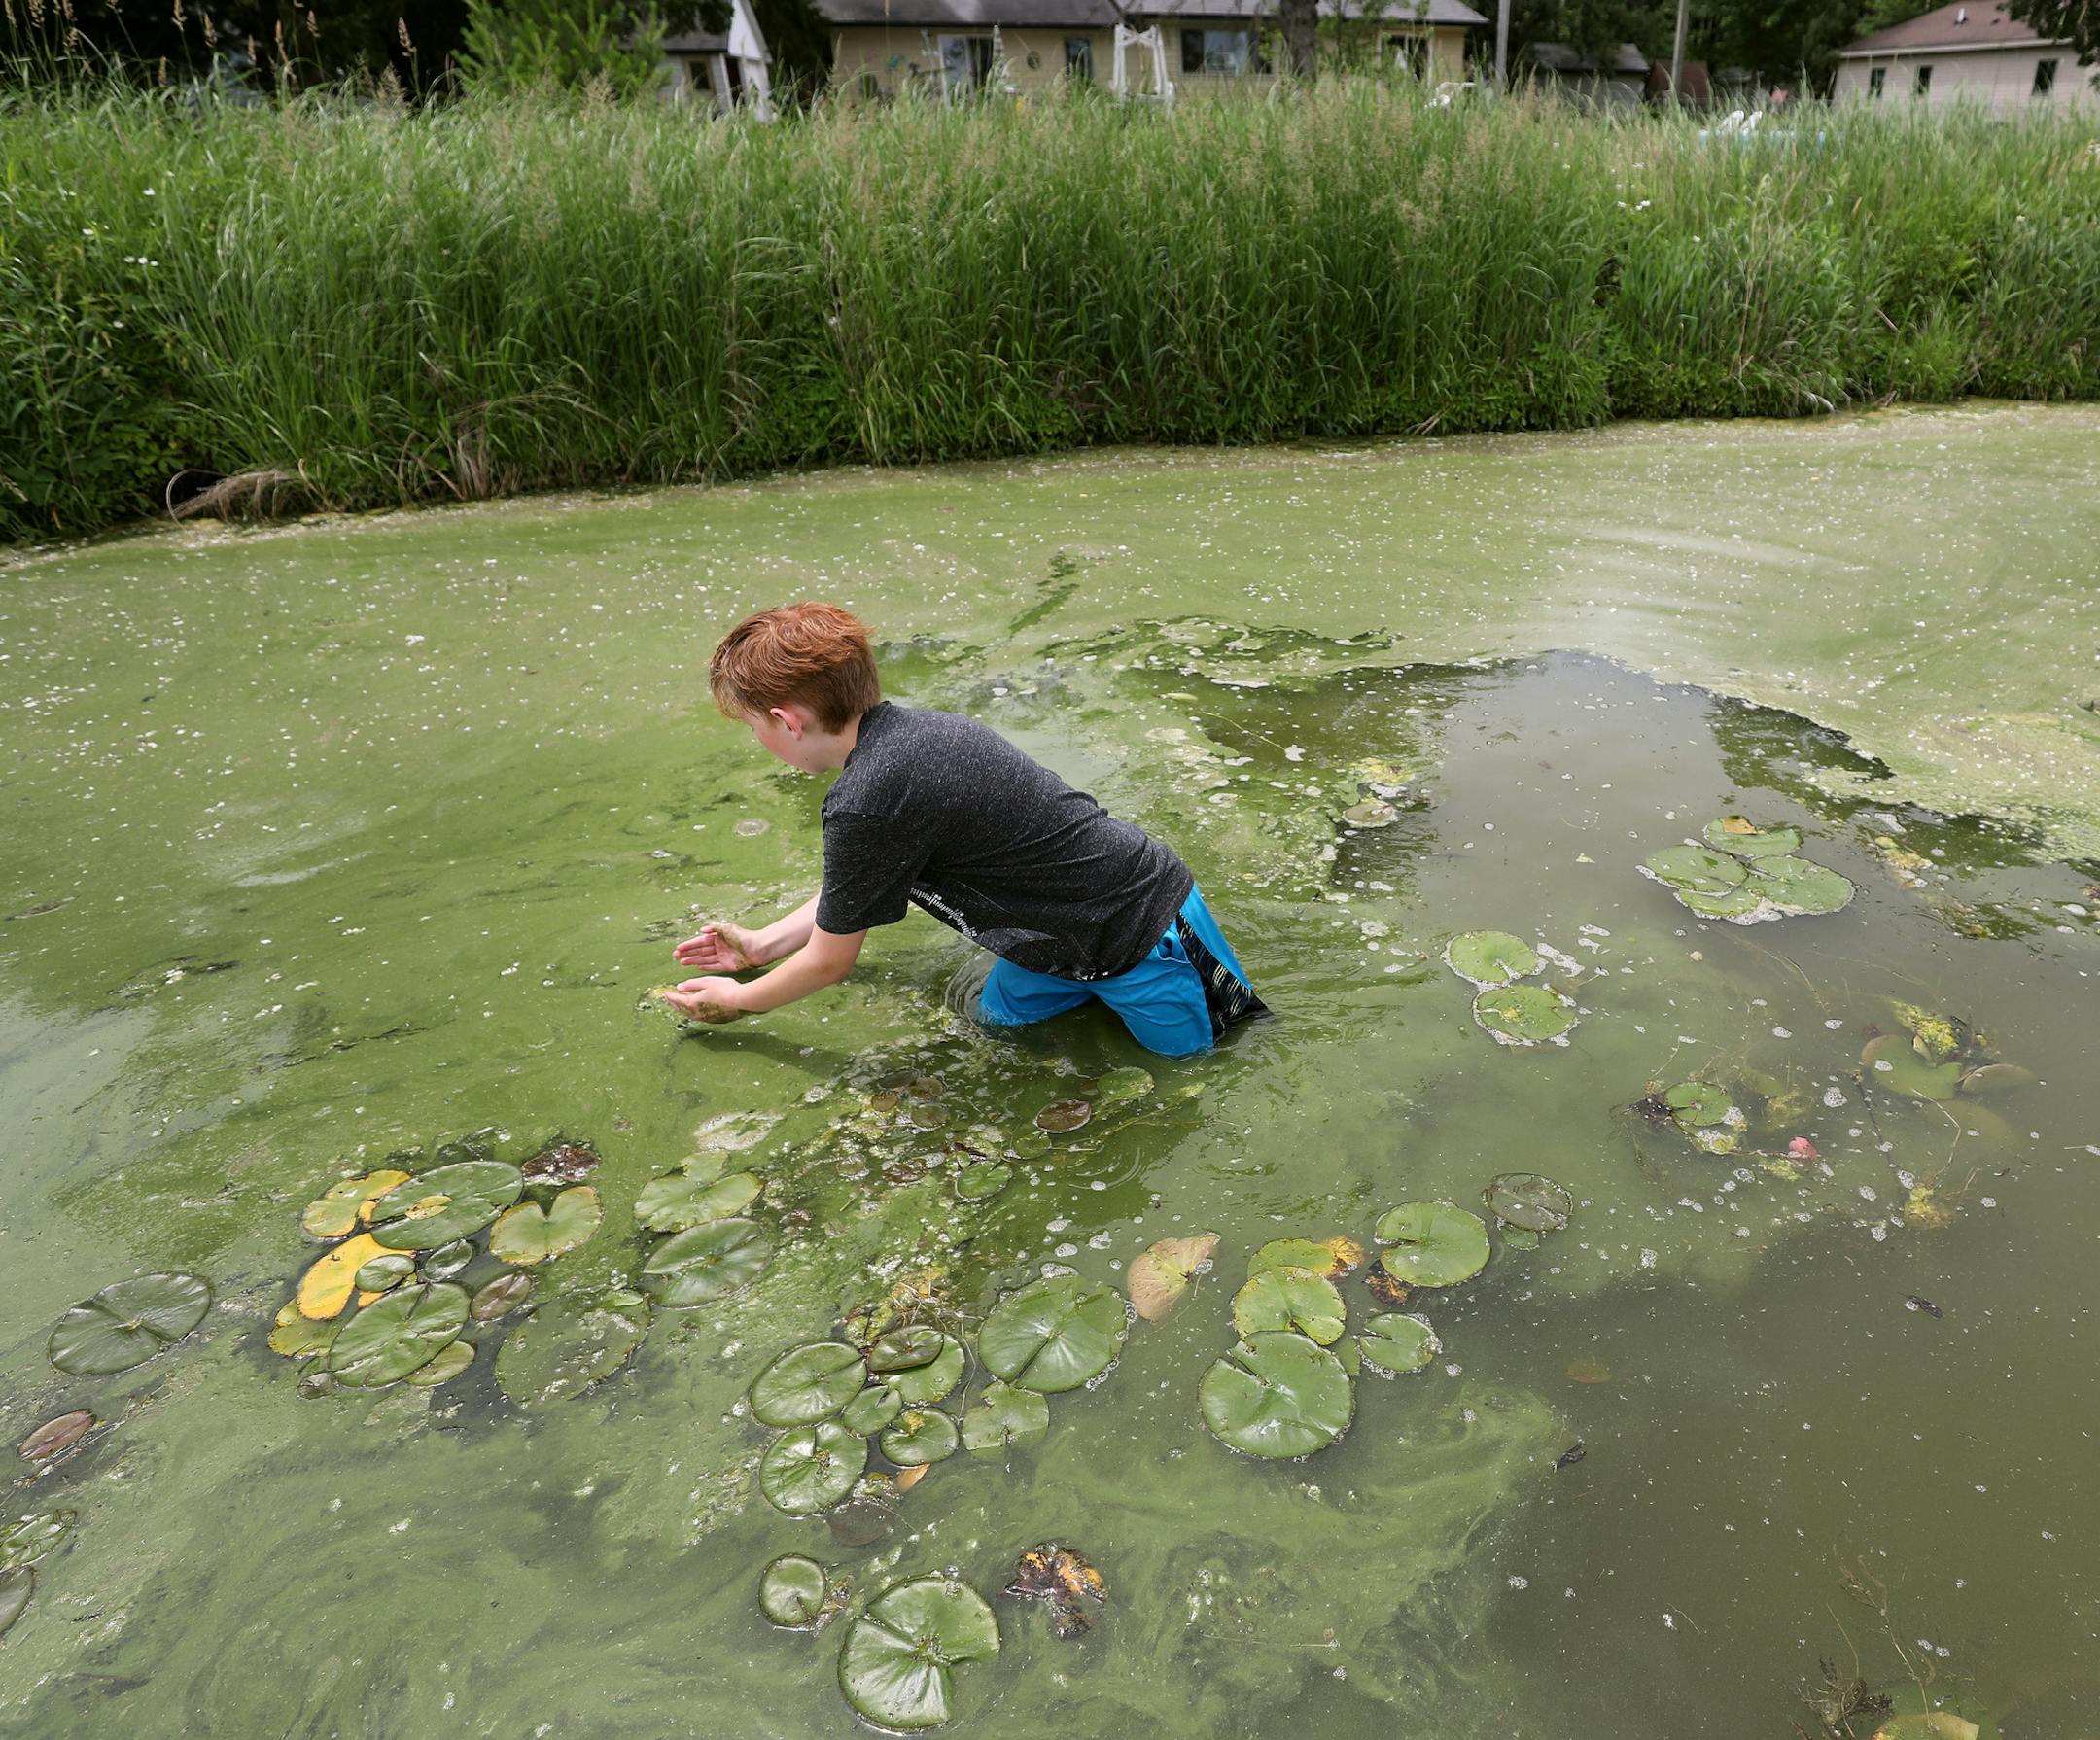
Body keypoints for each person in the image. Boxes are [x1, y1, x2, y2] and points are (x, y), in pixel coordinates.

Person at [660, 602, 1265, 1058]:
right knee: (998, 1023)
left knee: (1199, 1064)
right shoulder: (907, 735)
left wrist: (736, 1000)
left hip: (1140, 928)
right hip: (1046, 939)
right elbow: (862, 883)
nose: (758, 741)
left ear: (785, 721)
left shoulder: (869, 799)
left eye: (752, 728)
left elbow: (828, 964)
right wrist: (763, 946)